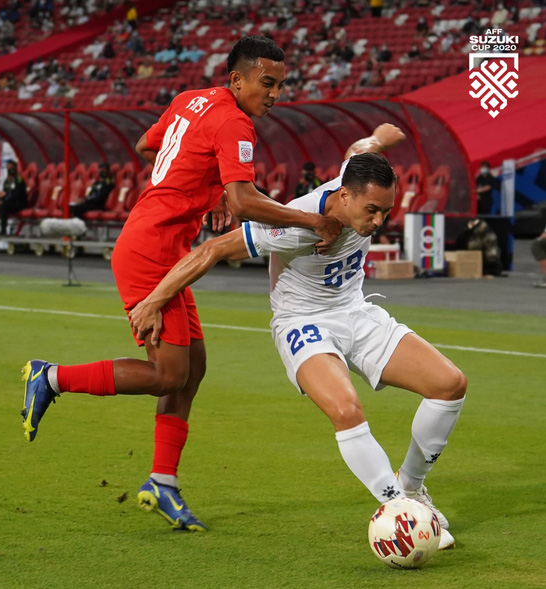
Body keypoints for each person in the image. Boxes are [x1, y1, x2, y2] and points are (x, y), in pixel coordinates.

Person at [20, 36, 342, 533]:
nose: (275, 94)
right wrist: (310, 220)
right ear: (237, 79)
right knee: (168, 375)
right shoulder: (235, 121)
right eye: (267, 83)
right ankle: (52, 377)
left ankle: (162, 482)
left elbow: (148, 144)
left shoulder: (190, 99)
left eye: (281, 84)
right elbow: (244, 203)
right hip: (151, 250)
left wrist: (202, 185)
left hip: (163, 247)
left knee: (193, 368)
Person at [124, 140, 465, 552]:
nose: (377, 221)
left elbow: (364, 146)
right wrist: (154, 301)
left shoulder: (355, 177)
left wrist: (383, 137)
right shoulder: (296, 224)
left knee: (450, 384)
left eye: (385, 212)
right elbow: (212, 249)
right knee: (346, 408)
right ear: (344, 194)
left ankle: (411, 489)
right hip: (303, 323)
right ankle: (399, 511)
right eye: (370, 211)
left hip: (355, 312)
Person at [0, 159, 28, 235]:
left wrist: (3, 202)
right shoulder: (7, 181)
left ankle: (3, 230)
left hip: (18, 203)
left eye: (12, 167)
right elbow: (5, 194)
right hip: (8, 203)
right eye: (8, 168)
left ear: (15, 168)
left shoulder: (19, 180)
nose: (10, 169)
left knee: (2, 206)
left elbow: (16, 195)